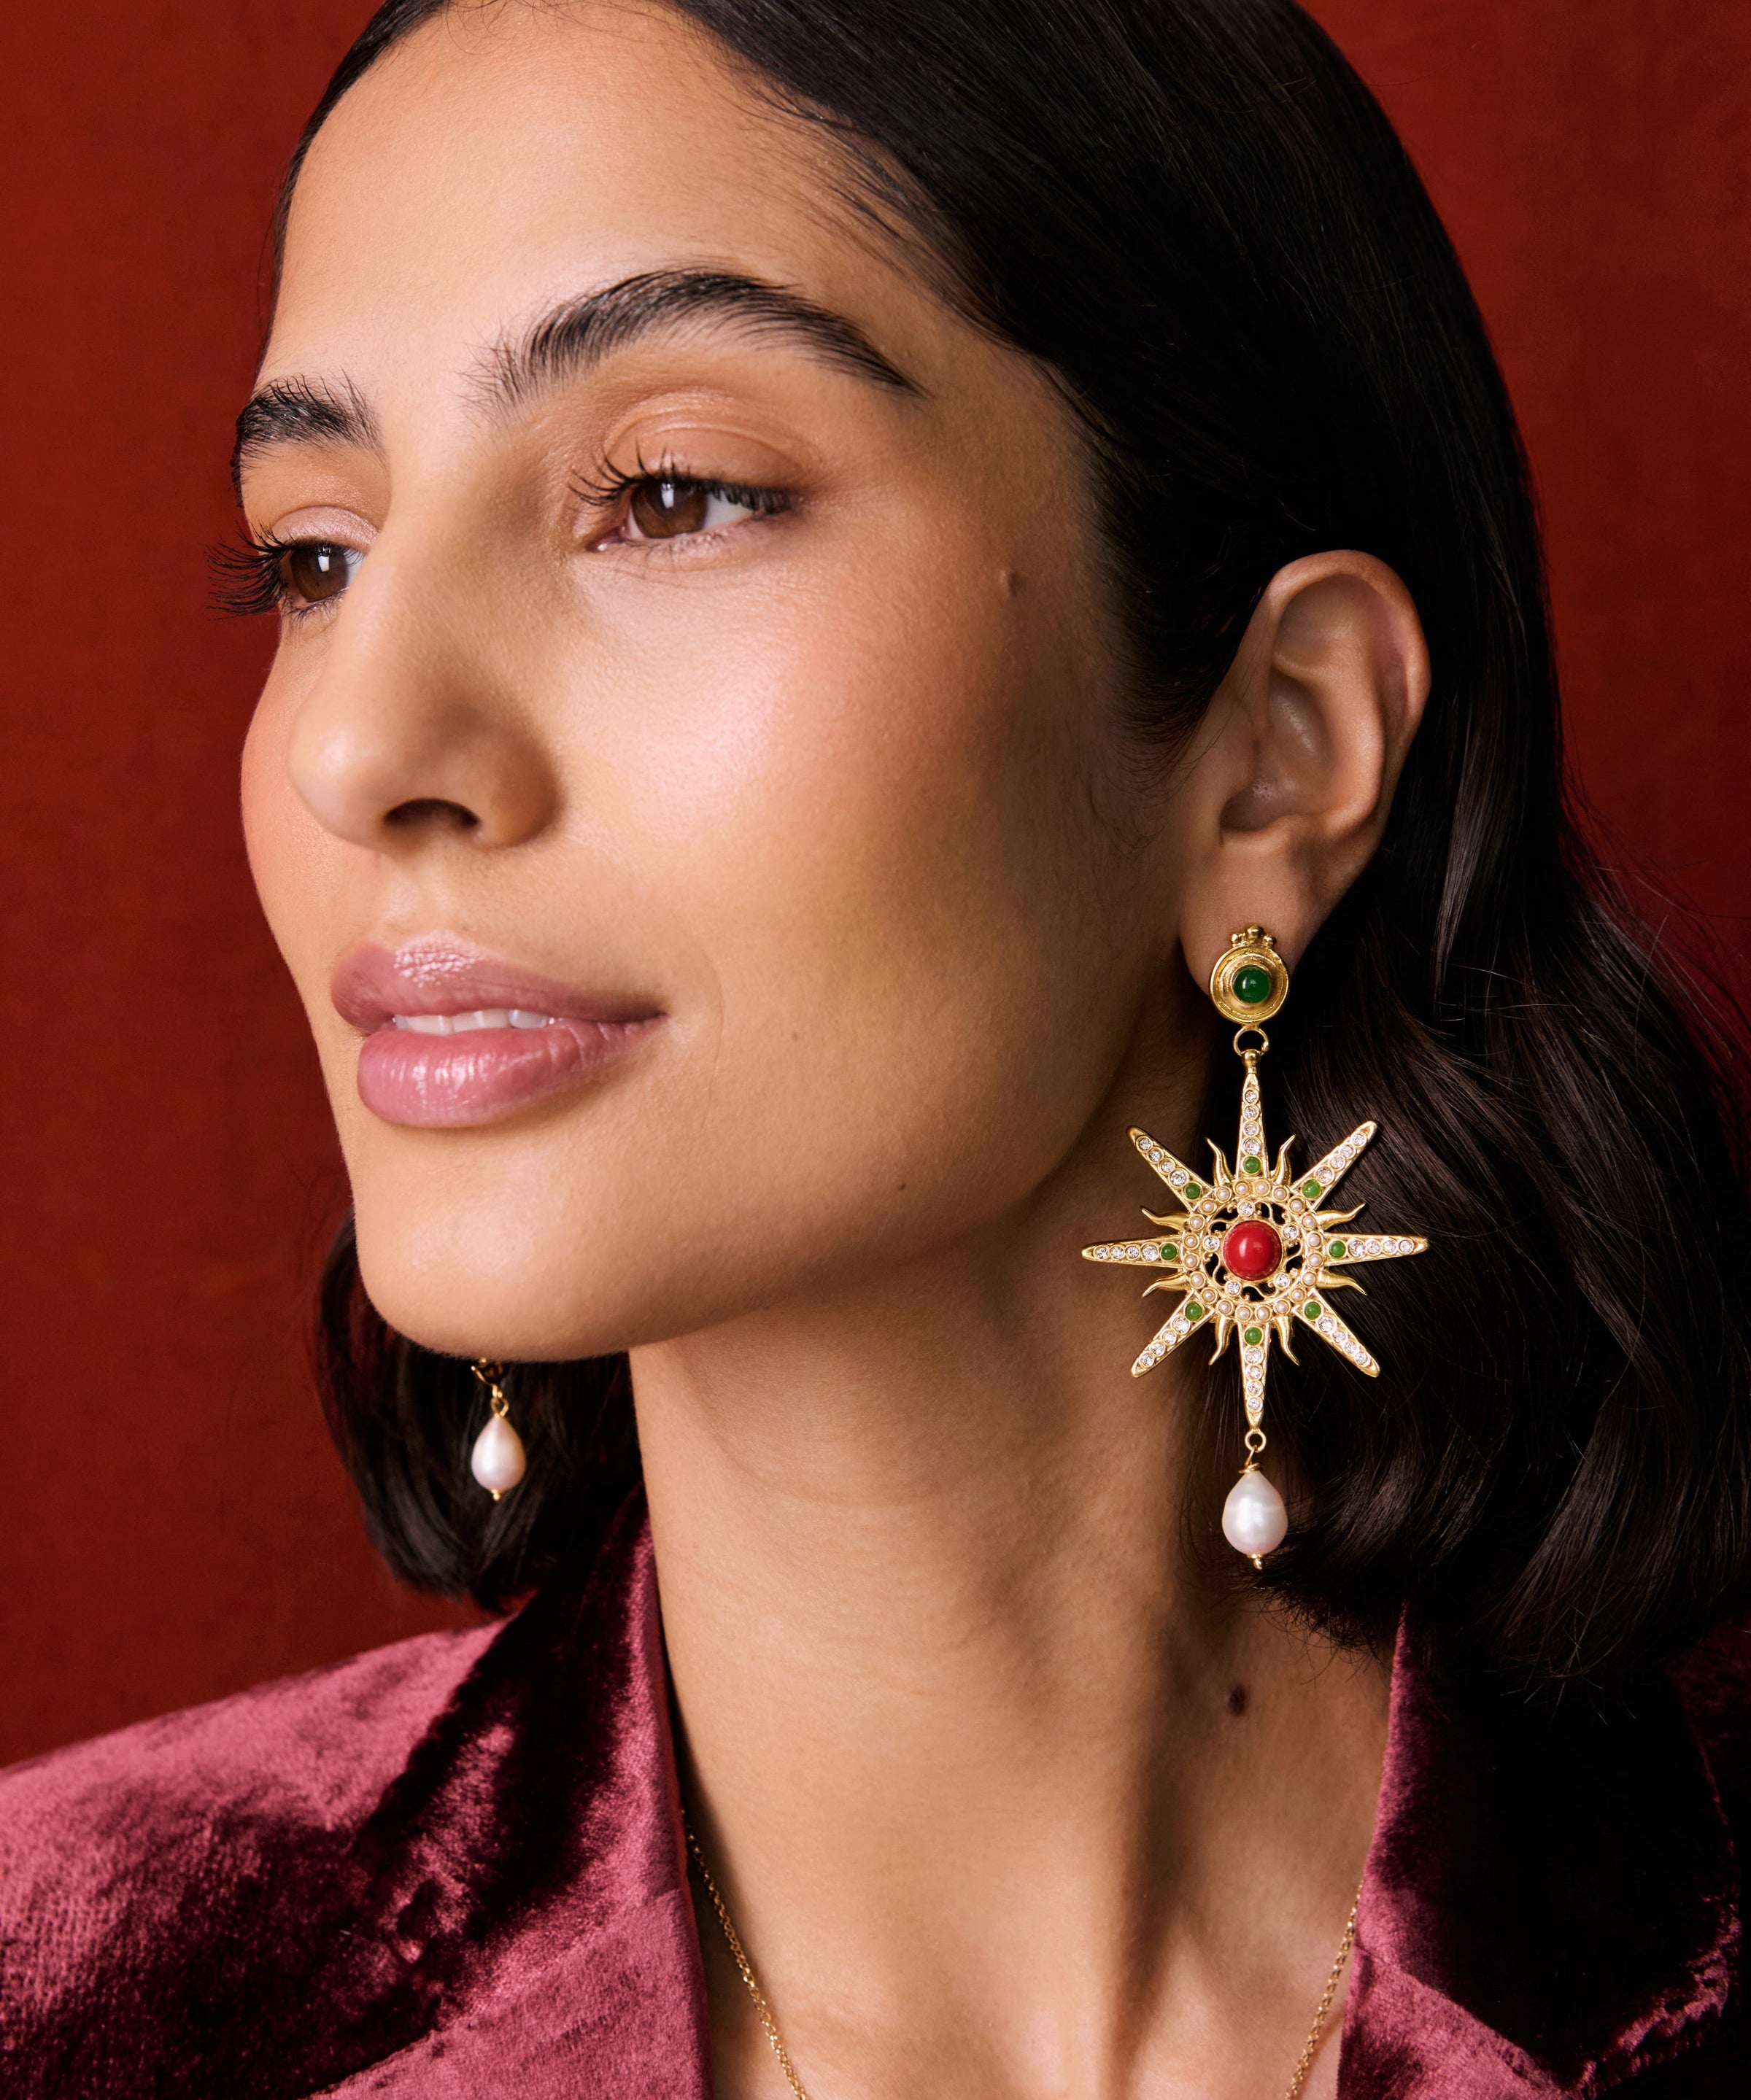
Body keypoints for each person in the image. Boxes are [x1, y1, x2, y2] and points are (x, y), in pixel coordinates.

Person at [4, 1, 1750, 2093]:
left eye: (666, 494)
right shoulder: (90, 2001)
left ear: (1277, 756)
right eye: (314, 554)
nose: (367, 748)